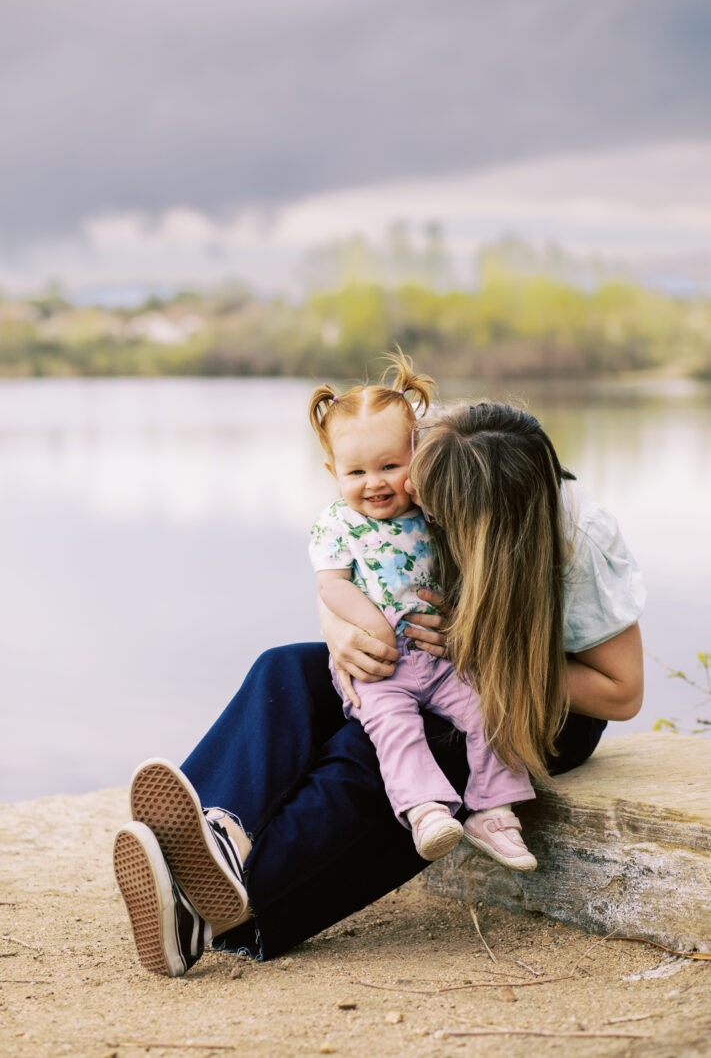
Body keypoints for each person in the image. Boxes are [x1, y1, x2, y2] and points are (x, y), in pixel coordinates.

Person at [113, 396, 645, 977]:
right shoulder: (444, 440)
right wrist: (339, 628)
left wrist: (489, 653)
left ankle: (228, 908)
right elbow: (352, 566)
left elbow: (621, 693)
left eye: (437, 512)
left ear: (484, 518)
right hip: (425, 662)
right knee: (284, 671)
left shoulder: (577, 533)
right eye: (418, 488)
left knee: (381, 745)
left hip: (536, 703)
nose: (416, 509)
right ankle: (212, 835)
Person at [307, 355, 536, 867]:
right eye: (357, 472)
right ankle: (426, 810)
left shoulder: (433, 509)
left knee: (487, 710)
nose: (376, 483)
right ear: (332, 472)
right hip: (377, 663)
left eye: (391, 465)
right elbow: (333, 587)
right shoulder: (337, 524)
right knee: (394, 726)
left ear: (418, 455)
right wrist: (373, 628)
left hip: (440, 656)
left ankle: (493, 811)